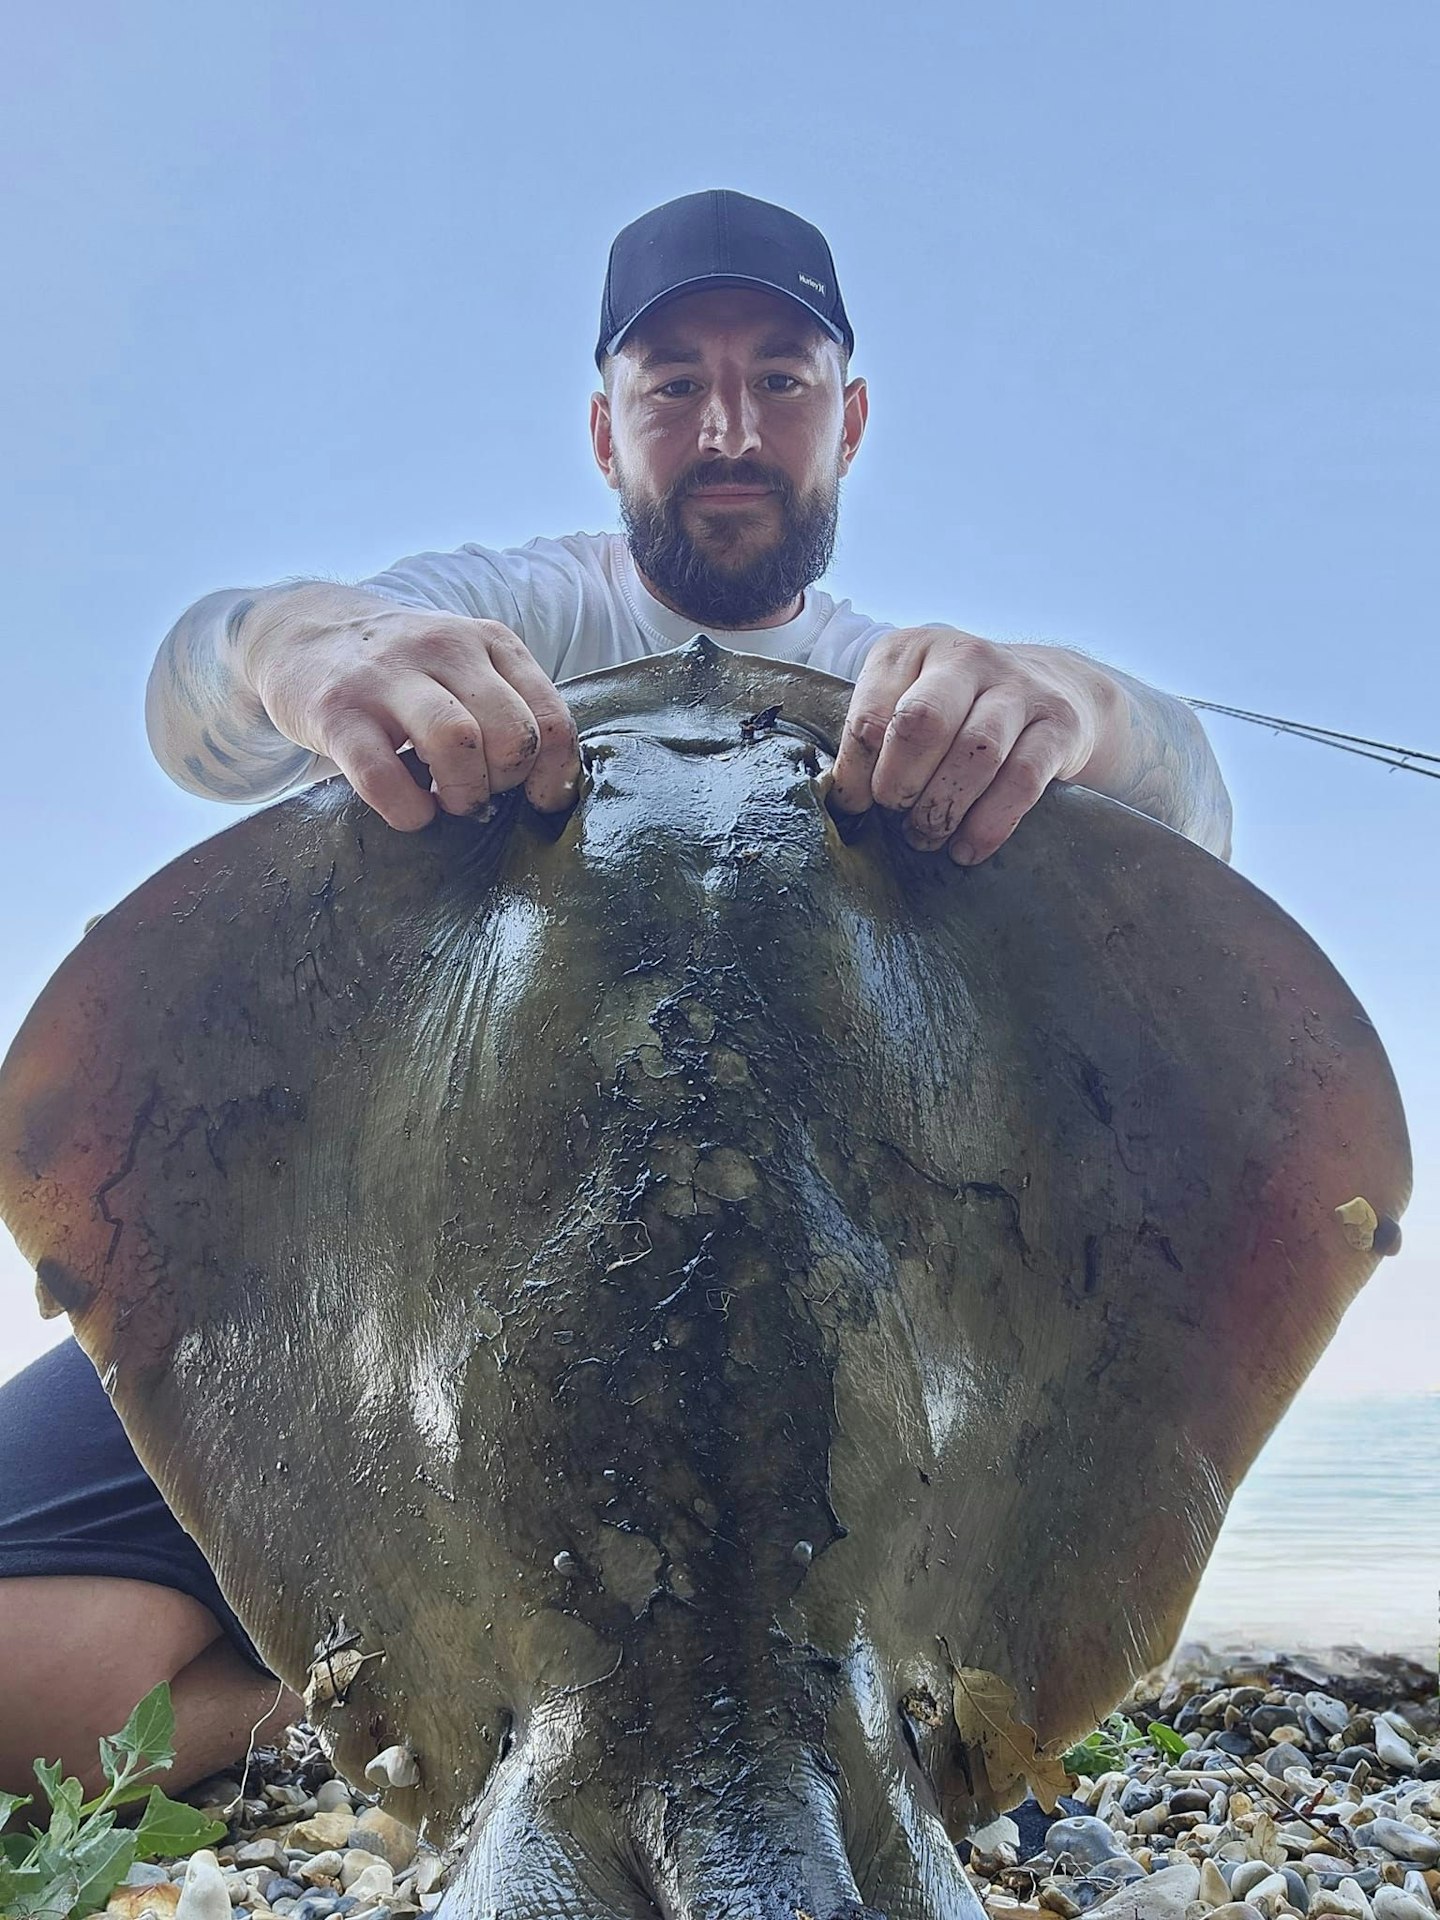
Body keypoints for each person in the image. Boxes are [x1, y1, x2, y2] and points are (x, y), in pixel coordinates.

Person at [0, 190, 1232, 1803]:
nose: (728, 426)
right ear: (605, 429)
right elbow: (199, 694)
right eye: (672, 385)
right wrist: (309, 644)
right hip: (408, 1286)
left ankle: (693, 1683)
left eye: (781, 378)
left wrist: (1075, 699)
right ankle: (427, 1701)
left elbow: (1187, 811)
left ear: (848, 420)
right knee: (33, 1701)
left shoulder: (901, 685)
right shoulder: (513, 614)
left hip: (837, 1306)